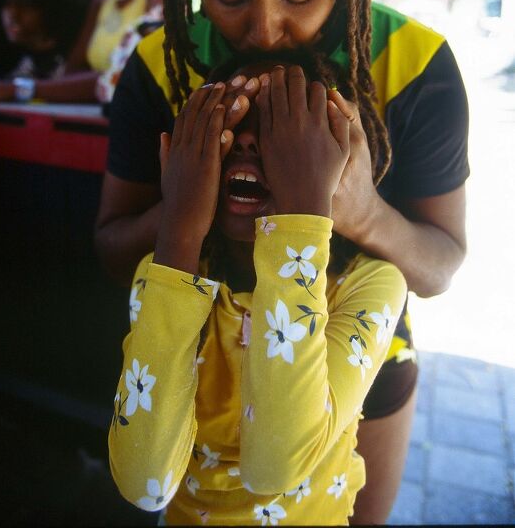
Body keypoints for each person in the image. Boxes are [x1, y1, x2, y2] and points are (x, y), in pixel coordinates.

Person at [96, 0, 469, 523]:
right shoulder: (159, 66)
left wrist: (362, 211)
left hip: (359, 369)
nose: (264, 30)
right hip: (193, 379)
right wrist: (184, 209)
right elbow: (112, 248)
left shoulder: (415, 65)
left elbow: (438, 265)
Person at [109, 55, 408, 525]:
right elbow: (145, 484)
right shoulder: (162, 274)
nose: (247, 140)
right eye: (231, 126)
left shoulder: (371, 285)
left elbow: (276, 466)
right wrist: (179, 230)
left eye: (283, 132)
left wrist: (305, 209)